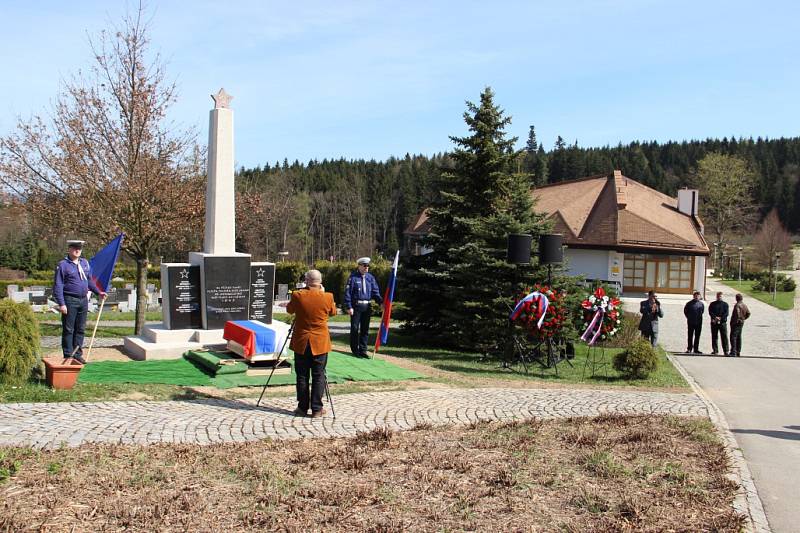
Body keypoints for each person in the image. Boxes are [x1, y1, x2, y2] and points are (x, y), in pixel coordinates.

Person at [286, 269, 337, 417]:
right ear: (320, 282)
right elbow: (333, 312)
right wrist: (322, 292)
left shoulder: (297, 295)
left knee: (302, 375)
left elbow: (289, 310)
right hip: (320, 341)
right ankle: (317, 409)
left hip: (302, 341)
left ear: (306, 281)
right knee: (318, 375)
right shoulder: (328, 296)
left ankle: (302, 408)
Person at [53, 239, 106, 364]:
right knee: (69, 329)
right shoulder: (63, 265)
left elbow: (89, 281)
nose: (77, 251)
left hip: (83, 300)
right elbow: (58, 285)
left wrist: (99, 292)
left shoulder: (85, 263)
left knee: (80, 329)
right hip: (69, 300)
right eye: (75, 248)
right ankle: (68, 355)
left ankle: (77, 354)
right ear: (69, 249)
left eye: (79, 248)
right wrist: (61, 303)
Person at [343, 257, 383, 358]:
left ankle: (363, 350)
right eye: (364, 266)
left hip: (367, 306)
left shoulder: (370, 278)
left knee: (365, 329)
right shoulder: (353, 277)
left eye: (368, 266)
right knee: (355, 328)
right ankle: (355, 350)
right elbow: (348, 293)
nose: (366, 268)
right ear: (359, 266)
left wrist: (381, 302)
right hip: (356, 306)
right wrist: (349, 306)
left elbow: (375, 292)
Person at [708, 291, 730, 356]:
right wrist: (715, 317)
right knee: (714, 336)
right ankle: (715, 350)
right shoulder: (712, 304)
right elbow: (710, 312)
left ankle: (726, 351)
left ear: (722, 296)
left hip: (722, 323)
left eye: (720, 296)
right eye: (718, 296)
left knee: (724, 337)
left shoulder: (725, 304)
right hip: (714, 322)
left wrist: (720, 318)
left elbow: (726, 313)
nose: (719, 297)